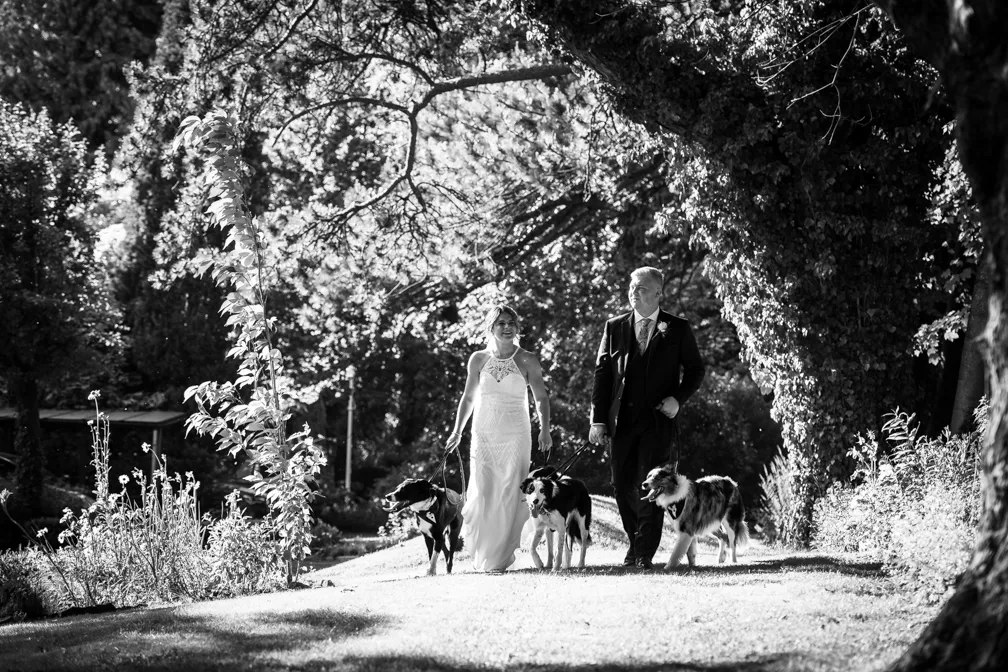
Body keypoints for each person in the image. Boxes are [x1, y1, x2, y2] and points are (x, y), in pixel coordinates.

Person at [589, 266, 705, 570]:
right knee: (620, 484)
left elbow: (695, 369)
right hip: (621, 422)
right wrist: (597, 420)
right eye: (631, 286)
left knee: (652, 486)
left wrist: (677, 400)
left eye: (641, 287)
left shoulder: (677, 328)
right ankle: (634, 540)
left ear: (658, 293)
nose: (633, 291)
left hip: (657, 421)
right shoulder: (614, 327)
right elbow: (602, 376)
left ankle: (642, 552)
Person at [446, 304, 553, 572]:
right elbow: (469, 398)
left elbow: (540, 398)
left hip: (516, 434)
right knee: (484, 490)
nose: (507, 327)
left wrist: (545, 429)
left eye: (512, 323)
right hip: (484, 434)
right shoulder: (478, 359)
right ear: (491, 327)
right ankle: (485, 555)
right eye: (501, 323)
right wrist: (457, 431)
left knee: (510, 489)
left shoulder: (528, 359)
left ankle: (501, 557)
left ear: (517, 327)